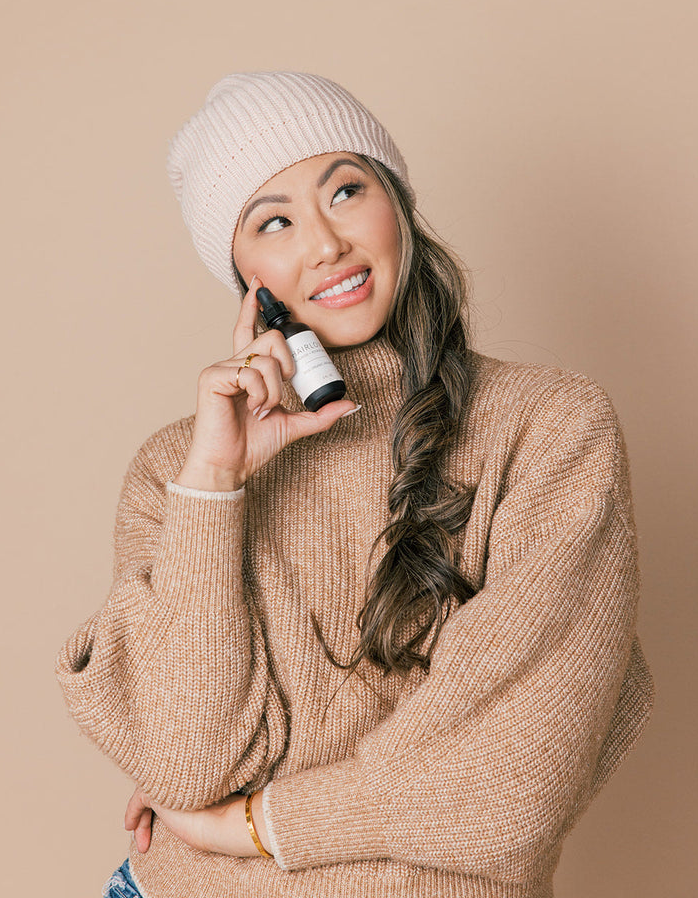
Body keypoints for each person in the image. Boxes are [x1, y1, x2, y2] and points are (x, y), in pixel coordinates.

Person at [56, 71, 654, 898]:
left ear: (396, 203)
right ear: (242, 272)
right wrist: (217, 482)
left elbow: (508, 783)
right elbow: (186, 761)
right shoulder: (177, 468)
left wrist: (253, 825)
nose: (326, 243)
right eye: (274, 221)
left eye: (345, 190)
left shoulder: (549, 427)